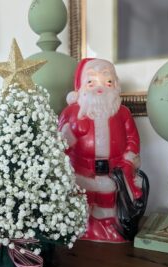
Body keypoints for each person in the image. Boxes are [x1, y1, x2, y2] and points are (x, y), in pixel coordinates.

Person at [59, 58, 148, 242]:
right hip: (82, 172)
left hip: (114, 171)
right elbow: (61, 145)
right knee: (84, 203)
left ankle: (110, 228)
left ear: (115, 85)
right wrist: (72, 132)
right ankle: (83, 228)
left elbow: (132, 139)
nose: (100, 88)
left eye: (107, 82)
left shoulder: (123, 113)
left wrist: (128, 161)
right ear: (81, 87)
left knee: (108, 204)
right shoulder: (71, 113)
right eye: (91, 82)